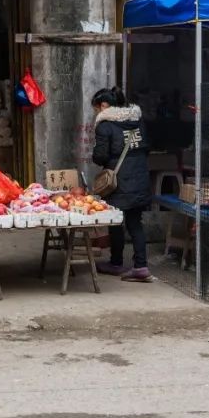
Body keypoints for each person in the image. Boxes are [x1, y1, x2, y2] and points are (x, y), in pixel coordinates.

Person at [91, 87, 153, 283]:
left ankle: (116, 263)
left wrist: (98, 156)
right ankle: (141, 266)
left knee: (116, 222)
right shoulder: (138, 121)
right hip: (140, 177)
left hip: (119, 181)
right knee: (135, 222)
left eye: (96, 109)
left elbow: (100, 156)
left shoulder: (105, 126)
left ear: (103, 106)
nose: (96, 113)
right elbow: (147, 147)